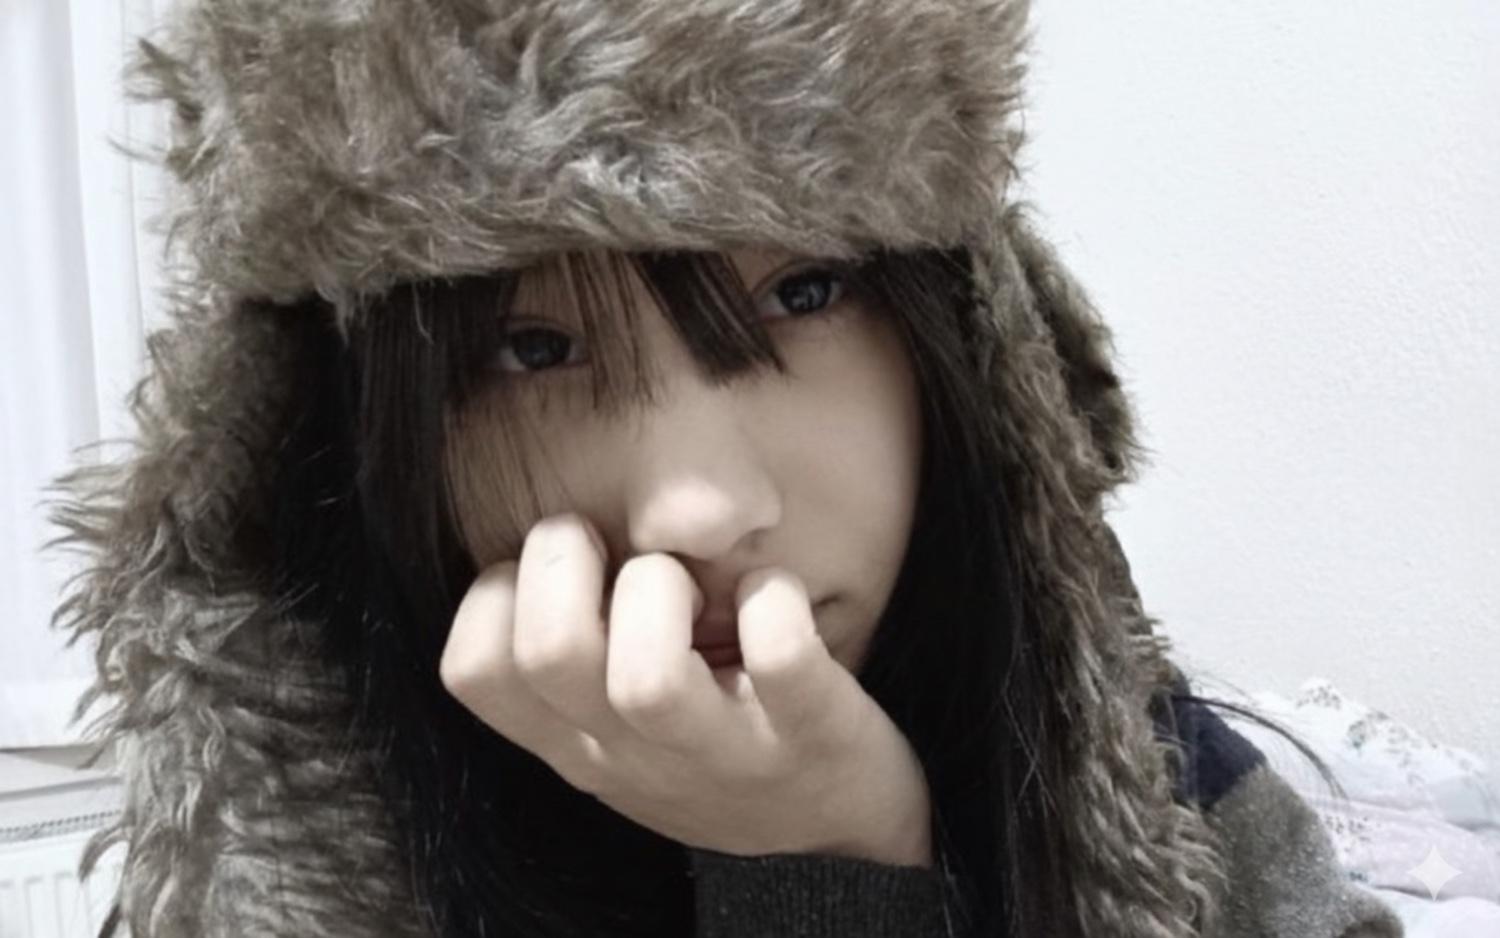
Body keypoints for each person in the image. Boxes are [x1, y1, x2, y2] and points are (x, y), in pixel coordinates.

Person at [49, 0, 1405, 936]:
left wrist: (835, 855)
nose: (699, 508)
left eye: (803, 293)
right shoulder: (261, 857)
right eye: (531, 346)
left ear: (968, 345)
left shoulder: (1156, 778)